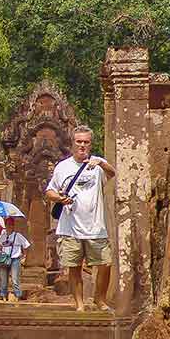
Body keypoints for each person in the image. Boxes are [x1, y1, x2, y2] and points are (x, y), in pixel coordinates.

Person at [45, 125, 116, 311]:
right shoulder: (63, 167)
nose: (82, 145)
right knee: (74, 267)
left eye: (86, 142)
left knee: (106, 263)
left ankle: (99, 300)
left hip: (96, 226)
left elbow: (112, 173)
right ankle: (79, 304)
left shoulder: (97, 166)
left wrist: (100, 162)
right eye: (79, 142)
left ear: (90, 144)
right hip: (70, 226)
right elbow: (50, 191)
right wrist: (60, 198)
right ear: (73, 143)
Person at [0, 217, 31, 302]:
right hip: (4, 259)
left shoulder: (17, 236)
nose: (9, 226)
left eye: (11, 224)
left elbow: (26, 245)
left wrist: (24, 256)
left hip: (15, 259)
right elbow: (0, 246)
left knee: (15, 279)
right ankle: (4, 296)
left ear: (13, 226)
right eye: (7, 224)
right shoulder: (3, 236)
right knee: (3, 279)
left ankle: (17, 296)